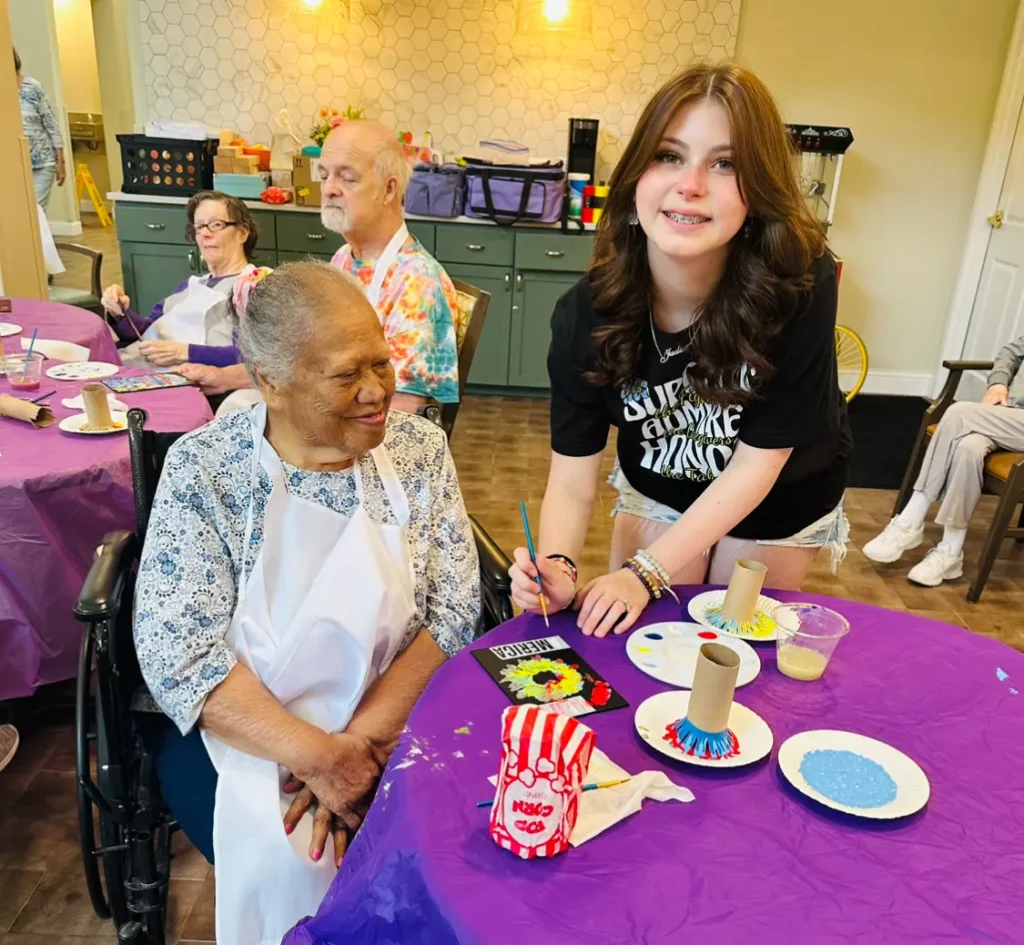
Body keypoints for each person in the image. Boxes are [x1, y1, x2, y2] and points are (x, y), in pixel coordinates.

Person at [133, 261, 479, 945]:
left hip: (393, 715)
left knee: (443, 858)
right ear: (269, 381)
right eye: (347, 374)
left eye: (382, 363)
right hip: (249, 735)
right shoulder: (207, 469)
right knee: (295, 861)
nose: (378, 391)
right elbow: (180, 653)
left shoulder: (419, 450)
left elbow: (452, 612)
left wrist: (356, 750)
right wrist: (318, 758)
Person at [509, 63, 851, 638]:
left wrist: (644, 574)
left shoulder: (801, 282)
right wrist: (558, 568)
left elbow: (755, 469)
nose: (689, 185)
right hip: (661, 485)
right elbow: (571, 478)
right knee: (646, 642)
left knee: (732, 647)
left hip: (779, 497)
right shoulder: (584, 313)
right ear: (636, 174)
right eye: (668, 155)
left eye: (725, 163)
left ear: (759, 188)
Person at [320, 120, 462, 413]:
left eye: (346, 178)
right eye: (324, 175)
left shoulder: (417, 282)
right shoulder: (344, 259)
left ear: (388, 190)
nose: (329, 189)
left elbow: (402, 413)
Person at [864, 335, 1024, 585]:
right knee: (968, 448)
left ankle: (910, 519)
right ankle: (951, 550)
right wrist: (999, 383)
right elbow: (1011, 352)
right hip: (1007, 415)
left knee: (959, 413)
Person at [100, 191, 259, 370]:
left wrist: (185, 352)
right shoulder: (188, 287)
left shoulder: (254, 288)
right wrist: (120, 313)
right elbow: (145, 333)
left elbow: (253, 355)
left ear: (243, 233)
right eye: (199, 227)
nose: (205, 234)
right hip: (141, 370)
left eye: (216, 225)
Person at [15, 48, 65, 209]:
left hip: (43, 163)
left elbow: (51, 123)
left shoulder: (33, 87)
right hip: (14, 165)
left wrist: (61, 162)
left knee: (36, 213)